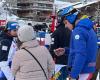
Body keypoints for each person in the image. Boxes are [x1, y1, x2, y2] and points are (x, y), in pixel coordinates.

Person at [55, 6, 97, 80]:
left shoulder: (79, 30)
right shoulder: (87, 28)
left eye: (66, 23)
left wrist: (73, 75)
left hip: (82, 72)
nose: (65, 26)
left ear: (71, 19)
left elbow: (80, 54)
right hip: (87, 69)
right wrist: (66, 50)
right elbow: (84, 49)